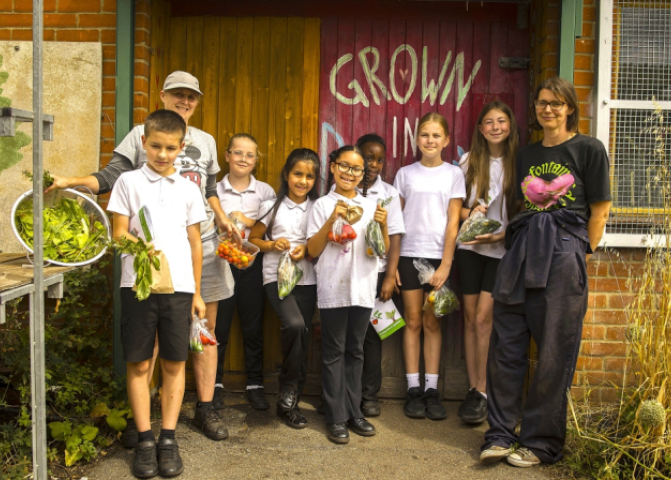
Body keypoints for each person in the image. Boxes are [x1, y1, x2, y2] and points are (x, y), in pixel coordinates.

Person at [47, 71, 234, 443]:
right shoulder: (140, 135)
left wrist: (224, 218)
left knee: (200, 334)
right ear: (163, 96)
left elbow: (210, 189)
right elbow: (111, 176)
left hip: (200, 246)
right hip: (148, 258)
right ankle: (144, 418)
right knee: (148, 347)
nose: (185, 101)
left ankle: (205, 408)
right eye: (178, 95)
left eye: (191, 97)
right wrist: (71, 181)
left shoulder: (207, 141)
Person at [480, 77, 611, 467]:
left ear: (570, 107)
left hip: (564, 253)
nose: (548, 109)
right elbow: (525, 204)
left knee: (554, 350)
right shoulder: (527, 154)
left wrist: (577, 252)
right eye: (541, 103)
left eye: (556, 103)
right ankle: (500, 434)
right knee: (506, 346)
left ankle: (539, 442)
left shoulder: (589, 149)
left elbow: (600, 210)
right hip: (521, 253)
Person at [107, 109, 207, 478]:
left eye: (170, 148)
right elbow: (118, 232)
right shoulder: (128, 182)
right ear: (144, 143)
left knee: (173, 364)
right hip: (139, 285)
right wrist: (138, 246)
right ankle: (145, 440)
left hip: (179, 287)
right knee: (140, 363)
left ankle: (168, 438)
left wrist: (196, 292)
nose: (162, 154)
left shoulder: (189, 188)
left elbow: (195, 242)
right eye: (155, 146)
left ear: (181, 147)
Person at [306, 146, 389, 444]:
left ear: (362, 175)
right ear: (332, 167)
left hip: (363, 287)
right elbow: (312, 251)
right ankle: (335, 415)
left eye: (356, 169)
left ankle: (355, 412)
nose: (349, 173)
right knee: (333, 352)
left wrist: (382, 225)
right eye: (344, 166)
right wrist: (331, 219)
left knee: (355, 349)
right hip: (333, 286)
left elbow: (382, 249)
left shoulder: (371, 205)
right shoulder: (321, 205)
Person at [393, 112, 465, 420]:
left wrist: (447, 263)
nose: (430, 140)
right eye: (425, 135)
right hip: (408, 254)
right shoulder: (405, 174)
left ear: (446, 140)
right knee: (412, 320)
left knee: (433, 322)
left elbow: (453, 222)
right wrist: (392, 262)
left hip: (438, 258)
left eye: (436, 135)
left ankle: (432, 390)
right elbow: (395, 221)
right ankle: (413, 389)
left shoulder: (453, 174)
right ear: (417, 139)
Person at [455, 102, 522, 425]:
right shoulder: (468, 161)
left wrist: (502, 236)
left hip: (501, 250)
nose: (495, 127)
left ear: (510, 125)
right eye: (488, 122)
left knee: (485, 318)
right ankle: (473, 388)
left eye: (501, 121)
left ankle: (483, 390)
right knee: (469, 318)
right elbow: (455, 210)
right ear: (480, 129)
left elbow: (527, 212)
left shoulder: (521, 162)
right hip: (469, 247)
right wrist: (472, 214)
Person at [248, 148, 321, 428]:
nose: (303, 181)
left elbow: (322, 242)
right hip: (275, 277)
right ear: (287, 175)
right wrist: (271, 244)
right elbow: (254, 239)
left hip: (307, 278)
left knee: (302, 332)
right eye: (298, 174)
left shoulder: (319, 207)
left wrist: (308, 250)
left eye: (309, 176)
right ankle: (288, 388)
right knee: (293, 326)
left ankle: (289, 401)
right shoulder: (271, 205)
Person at [214, 133, 276, 411]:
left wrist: (248, 220)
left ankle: (255, 384)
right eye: (237, 153)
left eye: (250, 155)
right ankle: (213, 384)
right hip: (221, 264)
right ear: (227, 156)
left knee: (253, 326)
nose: (243, 159)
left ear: (256, 160)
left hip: (252, 267)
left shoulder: (265, 192)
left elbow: (274, 227)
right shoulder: (214, 191)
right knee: (219, 327)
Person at [354, 134, 405, 417]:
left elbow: (395, 236)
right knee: (350, 334)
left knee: (373, 337)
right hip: (349, 274)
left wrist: (390, 275)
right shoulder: (343, 187)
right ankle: (344, 392)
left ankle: (369, 395)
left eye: (378, 159)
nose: (372, 164)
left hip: (377, 273)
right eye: (367, 157)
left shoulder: (388, 193)